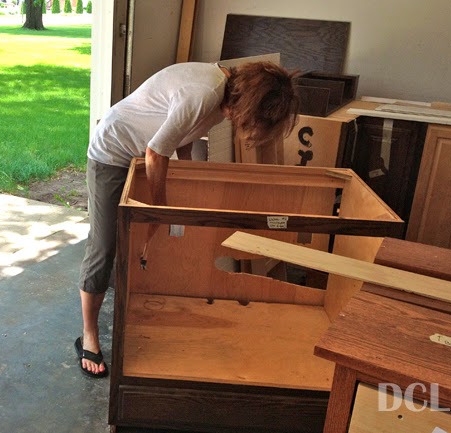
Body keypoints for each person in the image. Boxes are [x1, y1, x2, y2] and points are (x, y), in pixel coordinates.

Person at [74, 60, 300, 378]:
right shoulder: (202, 93)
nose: (245, 125)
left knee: (135, 236)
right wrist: (160, 208)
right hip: (112, 152)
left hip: (142, 152)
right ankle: (89, 336)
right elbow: (156, 151)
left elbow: (183, 133)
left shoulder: (221, 93)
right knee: (104, 245)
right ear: (247, 101)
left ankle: (120, 289)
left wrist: (188, 175)